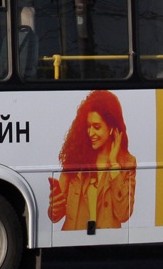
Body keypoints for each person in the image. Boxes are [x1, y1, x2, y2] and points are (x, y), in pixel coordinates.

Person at [48, 89, 136, 231]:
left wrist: (114, 165)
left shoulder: (127, 162)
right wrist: (55, 205)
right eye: (88, 127)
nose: (91, 133)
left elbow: (124, 214)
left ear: (112, 128)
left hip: (107, 242)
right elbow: (54, 216)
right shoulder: (75, 158)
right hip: (74, 239)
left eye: (96, 127)